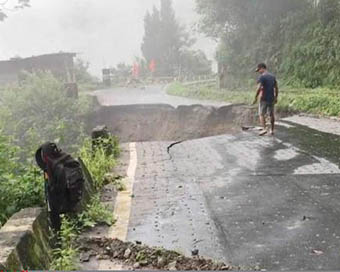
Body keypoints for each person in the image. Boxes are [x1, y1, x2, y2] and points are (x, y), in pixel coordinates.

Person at [253, 63, 279, 136]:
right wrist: (276, 97)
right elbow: (276, 88)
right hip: (271, 98)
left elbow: (259, 88)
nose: (258, 72)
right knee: (271, 114)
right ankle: (272, 130)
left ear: (262, 68)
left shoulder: (262, 77)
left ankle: (264, 129)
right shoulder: (273, 76)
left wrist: (255, 97)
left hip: (264, 98)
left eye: (259, 70)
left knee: (261, 114)